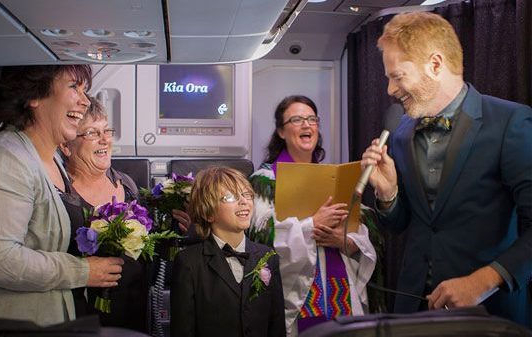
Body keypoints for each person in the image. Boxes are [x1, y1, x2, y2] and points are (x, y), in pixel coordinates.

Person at [360, 12, 531, 327]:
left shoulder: (511, 123)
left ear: (435, 65)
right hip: (414, 310)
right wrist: (388, 194)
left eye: (397, 76)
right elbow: (403, 225)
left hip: (490, 313)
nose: (389, 90)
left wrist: (482, 281)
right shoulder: (400, 134)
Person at [0, 66, 124, 326]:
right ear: (34, 95)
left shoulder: (48, 160)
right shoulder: (3, 159)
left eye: (85, 90)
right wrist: (82, 271)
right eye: (74, 87)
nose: (84, 101)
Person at [248, 95, 377, 336]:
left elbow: (361, 231)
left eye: (312, 119)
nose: (307, 125)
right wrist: (311, 226)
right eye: (297, 119)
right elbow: (261, 235)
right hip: (296, 295)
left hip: (341, 292)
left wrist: (345, 240)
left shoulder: (337, 178)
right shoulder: (265, 181)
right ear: (281, 132)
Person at [170, 166, 285, 337]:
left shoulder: (268, 257)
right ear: (209, 213)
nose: (244, 201)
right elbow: (183, 330)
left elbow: (277, 327)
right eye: (230, 197)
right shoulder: (189, 263)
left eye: (247, 194)